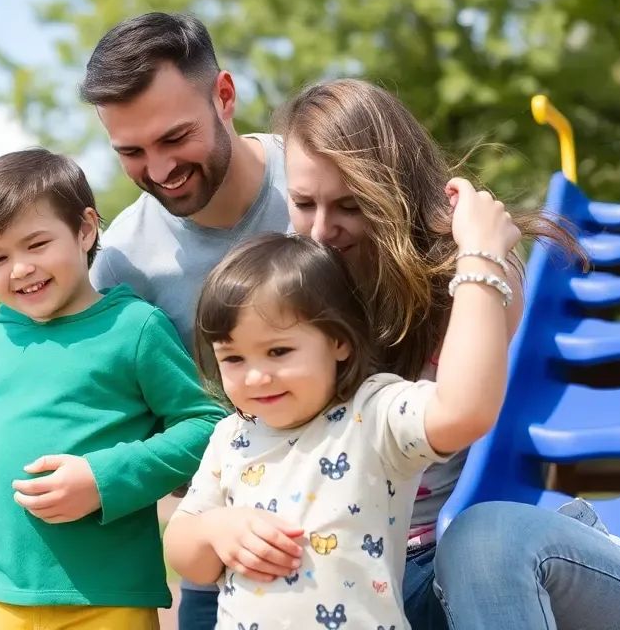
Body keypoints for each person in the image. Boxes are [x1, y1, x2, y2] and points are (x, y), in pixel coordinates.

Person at [277, 78, 620, 629]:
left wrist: (480, 252)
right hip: (392, 582)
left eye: (350, 204)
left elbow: (463, 412)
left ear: (395, 190)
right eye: (303, 203)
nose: (321, 230)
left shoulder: (466, 276)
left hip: (528, 568)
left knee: (476, 540)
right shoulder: (293, 296)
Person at [165, 197, 516, 627]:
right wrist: (215, 530)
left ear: (339, 342)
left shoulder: (373, 415)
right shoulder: (231, 437)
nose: (256, 377)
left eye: (278, 351)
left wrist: (480, 256)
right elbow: (185, 554)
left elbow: (465, 411)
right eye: (233, 359)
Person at [0, 147, 224, 630]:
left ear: (85, 229)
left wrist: (105, 478)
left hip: (110, 598)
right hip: (0, 600)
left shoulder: (135, 327)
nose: (19, 269)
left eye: (36, 244)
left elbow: (208, 426)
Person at [82, 12, 292, 629]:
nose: (160, 168)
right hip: (225, 553)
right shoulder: (122, 265)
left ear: (223, 97)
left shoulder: (317, 180)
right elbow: (134, 430)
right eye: (131, 152)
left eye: (176, 138)